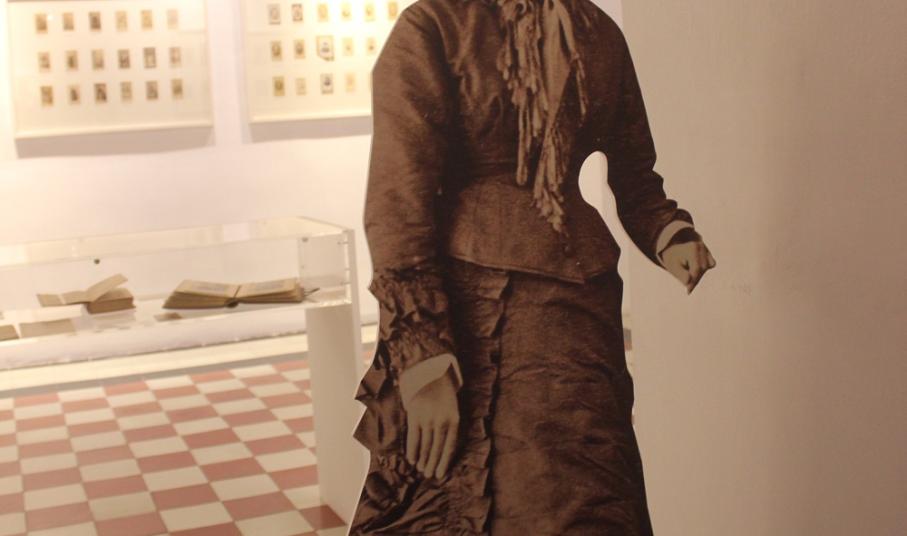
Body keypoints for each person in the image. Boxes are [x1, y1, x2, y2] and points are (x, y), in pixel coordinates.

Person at [350, 0, 716, 534]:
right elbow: (398, 204)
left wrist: (670, 233)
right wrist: (423, 360)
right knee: (491, 496)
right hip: (470, 313)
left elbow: (636, 175)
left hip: (578, 317)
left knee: (584, 494)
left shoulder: (597, 32)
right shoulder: (436, 24)